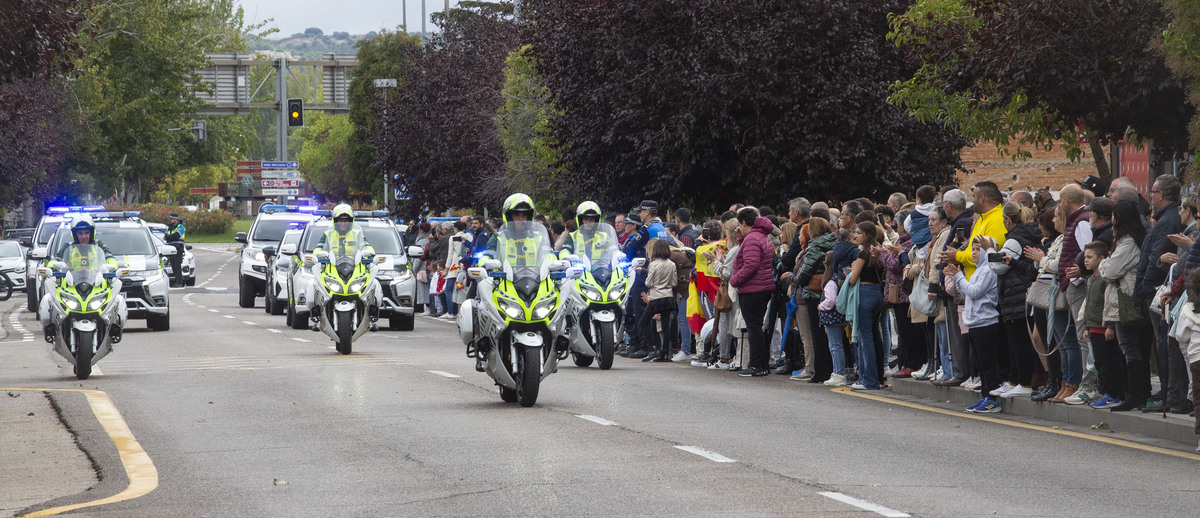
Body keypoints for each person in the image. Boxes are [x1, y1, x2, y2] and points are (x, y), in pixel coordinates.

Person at [948, 236, 1003, 413]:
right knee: (980, 363)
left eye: (978, 249)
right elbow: (969, 294)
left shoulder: (988, 270)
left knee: (988, 363)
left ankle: (991, 398)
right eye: (973, 249)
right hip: (975, 323)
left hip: (986, 322)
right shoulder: (979, 270)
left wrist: (959, 277)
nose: (974, 253)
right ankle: (985, 395)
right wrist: (957, 279)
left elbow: (976, 291)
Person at [313, 204, 380, 330]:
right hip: (332, 267)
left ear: (350, 221)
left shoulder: (357, 233)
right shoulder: (328, 233)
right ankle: (318, 318)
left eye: (346, 220)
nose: (343, 223)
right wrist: (320, 254)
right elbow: (318, 248)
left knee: (373, 284)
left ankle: (371, 318)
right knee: (315, 284)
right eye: (340, 220)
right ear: (335, 220)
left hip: (353, 266)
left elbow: (366, 245)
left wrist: (368, 252)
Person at [730, 207, 775, 376]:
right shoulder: (760, 236)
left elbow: (750, 264)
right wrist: (742, 238)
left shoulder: (752, 239)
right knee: (757, 327)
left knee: (753, 327)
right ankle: (761, 364)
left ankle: (756, 364)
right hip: (761, 287)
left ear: (743, 222)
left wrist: (735, 280)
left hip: (752, 289)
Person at [636, 238, 678, 362]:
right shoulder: (671, 264)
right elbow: (674, 282)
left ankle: (654, 347)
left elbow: (648, 283)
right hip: (668, 296)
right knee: (665, 326)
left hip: (656, 297)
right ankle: (665, 353)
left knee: (643, 322)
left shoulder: (653, 264)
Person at [166, 213, 186, 287]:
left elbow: (177, 235)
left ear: (175, 219)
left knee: (177, 266)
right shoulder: (169, 227)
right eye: (170, 219)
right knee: (173, 266)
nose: (170, 220)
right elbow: (165, 236)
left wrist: (169, 237)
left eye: (171, 219)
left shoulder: (181, 227)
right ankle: (176, 281)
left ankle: (179, 282)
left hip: (178, 248)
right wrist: (169, 237)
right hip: (170, 248)